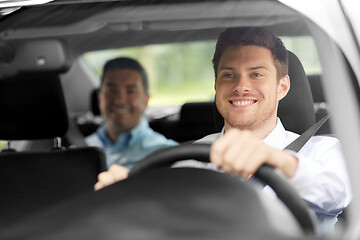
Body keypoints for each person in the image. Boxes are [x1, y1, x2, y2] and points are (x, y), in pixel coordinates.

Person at [93, 28, 351, 236]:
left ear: (282, 87)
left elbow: (336, 191)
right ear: (216, 84)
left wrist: (273, 158)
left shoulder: (323, 151)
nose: (241, 86)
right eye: (229, 75)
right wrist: (123, 193)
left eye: (256, 74)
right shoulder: (186, 158)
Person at [86, 57, 178, 169]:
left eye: (130, 91)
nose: (119, 100)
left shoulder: (166, 153)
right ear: (100, 97)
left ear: (146, 100)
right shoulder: (79, 150)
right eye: (112, 90)